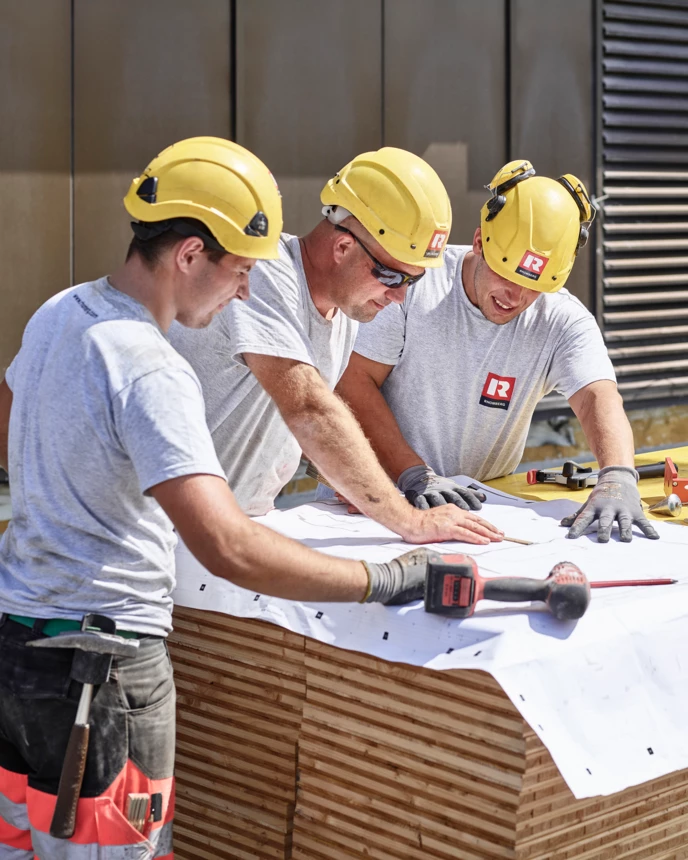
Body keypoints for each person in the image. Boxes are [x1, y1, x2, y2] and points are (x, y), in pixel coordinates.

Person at [0, 138, 498, 860]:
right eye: (238, 272)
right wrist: (387, 577)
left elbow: (12, 420)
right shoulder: (153, 369)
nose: (244, 291)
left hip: (18, 648)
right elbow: (227, 546)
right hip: (102, 673)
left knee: (22, 844)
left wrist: (81, 490)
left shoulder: (59, 313)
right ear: (191, 254)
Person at [169, 147, 503, 542]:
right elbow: (309, 408)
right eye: (393, 277)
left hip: (232, 527)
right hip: (164, 532)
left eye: (412, 282)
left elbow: (286, 421)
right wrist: (411, 522)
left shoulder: (343, 313)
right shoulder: (264, 272)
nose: (398, 297)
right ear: (343, 248)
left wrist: (350, 480)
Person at [332, 159, 659, 544]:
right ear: (478, 242)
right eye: (506, 275)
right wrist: (413, 474)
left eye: (533, 286)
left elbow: (597, 396)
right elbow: (353, 382)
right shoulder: (412, 285)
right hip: (374, 504)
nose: (516, 297)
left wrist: (618, 476)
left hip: (476, 506)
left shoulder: (560, 319)